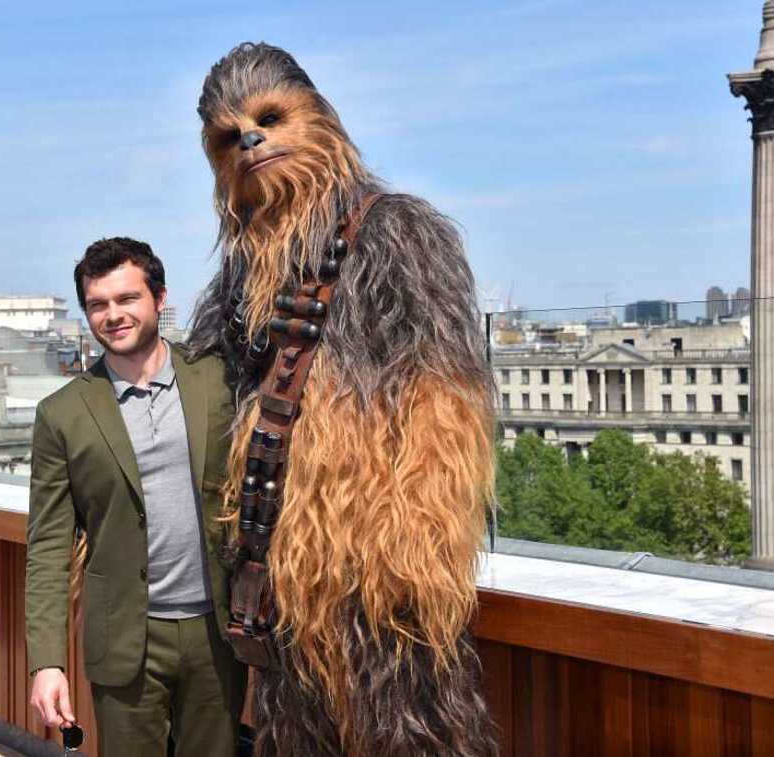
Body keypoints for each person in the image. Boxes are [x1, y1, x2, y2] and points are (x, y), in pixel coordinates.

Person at [188, 43, 497, 756]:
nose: (252, 142)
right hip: (278, 569)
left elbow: (446, 402)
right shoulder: (240, 268)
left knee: (414, 732)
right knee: (294, 737)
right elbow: (202, 386)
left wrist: (408, 553)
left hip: (383, 567)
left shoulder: (397, 231)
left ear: (320, 119)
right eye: (230, 137)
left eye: (270, 117)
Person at [26, 237, 246, 757]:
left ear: (159, 299)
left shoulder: (220, 380)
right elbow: (47, 550)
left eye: (127, 299)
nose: (113, 315)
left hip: (217, 631)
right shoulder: (62, 414)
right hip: (125, 638)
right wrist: (46, 663)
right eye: (98, 304)